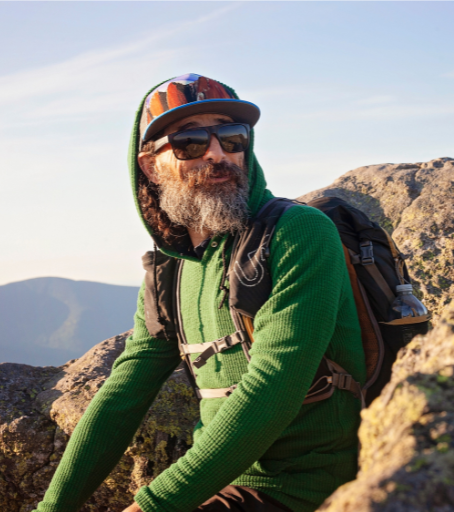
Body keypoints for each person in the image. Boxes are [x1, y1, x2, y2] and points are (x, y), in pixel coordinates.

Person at [33, 73, 366, 512]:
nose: (217, 153)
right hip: (223, 482)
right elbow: (123, 396)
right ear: (152, 165)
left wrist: (151, 507)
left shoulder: (298, 233)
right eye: (189, 142)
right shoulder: (170, 267)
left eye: (232, 138)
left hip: (309, 487)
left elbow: (274, 386)